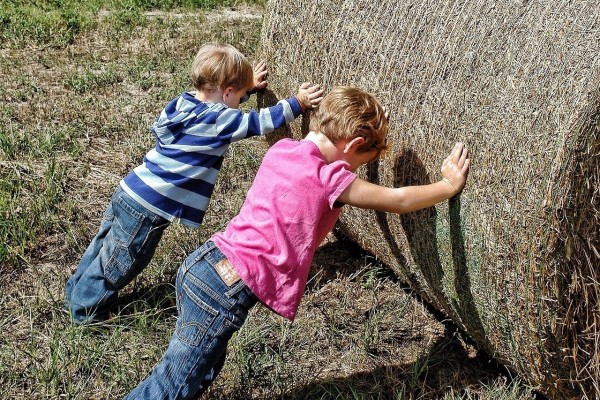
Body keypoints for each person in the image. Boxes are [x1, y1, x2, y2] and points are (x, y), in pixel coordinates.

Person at [124, 86, 471, 399]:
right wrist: (446, 186)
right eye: (362, 160)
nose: (356, 170)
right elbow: (397, 200)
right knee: (172, 381)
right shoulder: (329, 177)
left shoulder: (284, 149)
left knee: (199, 367)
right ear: (351, 146)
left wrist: (366, 136)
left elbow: (317, 182)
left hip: (204, 264)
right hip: (225, 289)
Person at [65, 42, 324, 324]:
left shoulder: (184, 101)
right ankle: (86, 313)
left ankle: (76, 291)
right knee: (121, 260)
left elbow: (221, 107)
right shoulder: (219, 120)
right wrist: (297, 103)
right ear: (226, 93)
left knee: (103, 245)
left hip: (131, 189)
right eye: (238, 96)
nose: (240, 102)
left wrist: (246, 88)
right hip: (149, 207)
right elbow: (259, 122)